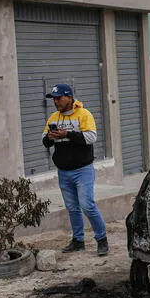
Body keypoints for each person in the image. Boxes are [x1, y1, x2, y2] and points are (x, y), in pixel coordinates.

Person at [42, 84, 109, 256]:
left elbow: (91, 137)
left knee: (87, 205)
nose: (56, 102)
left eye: (59, 98)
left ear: (69, 97)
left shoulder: (84, 115)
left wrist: (67, 135)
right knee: (72, 208)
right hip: (63, 171)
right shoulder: (53, 118)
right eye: (54, 99)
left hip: (82, 170)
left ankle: (102, 240)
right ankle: (78, 241)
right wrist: (50, 137)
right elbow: (45, 141)